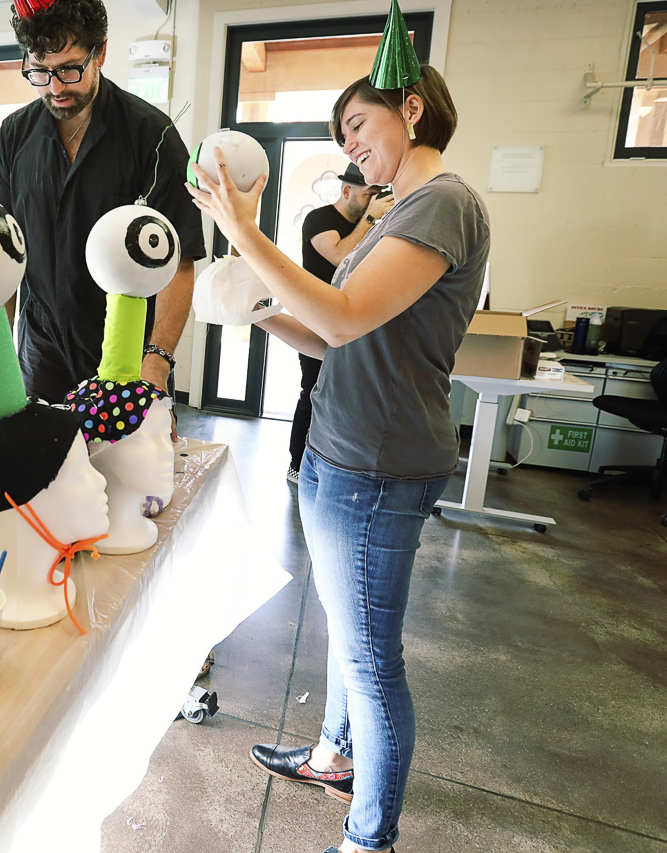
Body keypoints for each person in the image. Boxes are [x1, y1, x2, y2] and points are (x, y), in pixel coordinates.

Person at [189, 58, 489, 853]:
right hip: (340, 446)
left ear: (413, 109)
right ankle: (332, 754)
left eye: (357, 125)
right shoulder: (396, 211)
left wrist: (246, 234)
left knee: (371, 659)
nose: (348, 145)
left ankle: (368, 840)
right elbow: (328, 337)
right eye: (341, 133)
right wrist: (256, 312)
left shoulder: (443, 203)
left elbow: (349, 315)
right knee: (346, 628)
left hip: (379, 463)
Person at [0, 0, 203, 403]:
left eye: (69, 69)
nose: (54, 87)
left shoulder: (152, 135)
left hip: (127, 356)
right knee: (42, 469)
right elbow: (2, 254)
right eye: (39, 71)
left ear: (100, 52)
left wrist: (158, 358)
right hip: (39, 355)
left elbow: (181, 261)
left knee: (126, 470)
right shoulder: (14, 135)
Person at [287, 164, 393, 482]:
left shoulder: (372, 223)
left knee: (344, 394)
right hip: (316, 319)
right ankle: (296, 462)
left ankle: (331, 461)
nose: (374, 201)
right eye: (368, 195)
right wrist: (372, 218)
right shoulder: (319, 219)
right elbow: (339, 256)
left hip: (354, 317)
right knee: (313, 389)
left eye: (378, 194)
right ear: (346, 191)